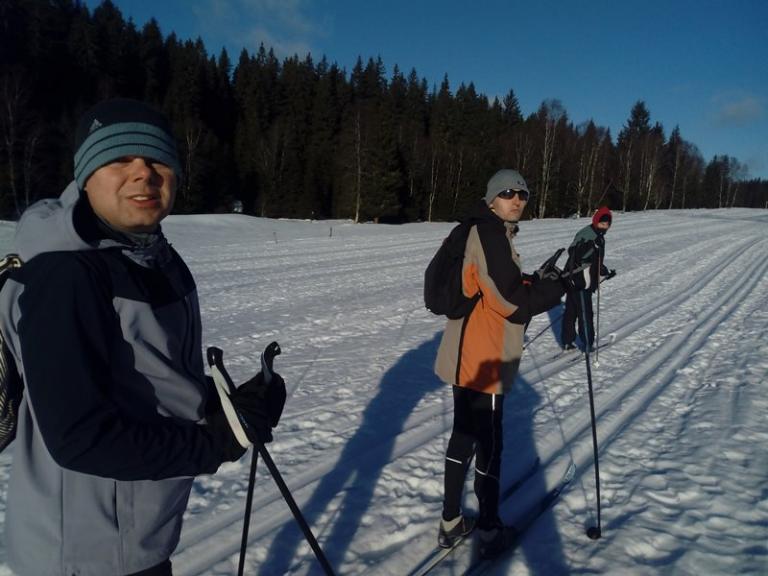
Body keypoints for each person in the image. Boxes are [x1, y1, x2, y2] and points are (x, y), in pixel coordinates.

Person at [0, 98, 283, 576]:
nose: (143, 174)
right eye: (118, 159)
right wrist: (218, 443)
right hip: (85, 553)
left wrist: (227, 407)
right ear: (85, 177)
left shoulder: (149, 257)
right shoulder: (68, 276)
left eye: (157, 160)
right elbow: (81, 439)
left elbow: (154, 374)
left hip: (134, 535)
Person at [433, 169, 565, 558]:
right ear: (492, 199)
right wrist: (560, 287)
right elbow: (511, 303)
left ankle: (451, 521)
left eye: (523, 194)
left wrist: (534, 280)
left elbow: (495, 283)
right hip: (486, 357)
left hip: (465, 354)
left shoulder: (479, 229)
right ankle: (489, 530)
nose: (517, 200)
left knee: (463, 435)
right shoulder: (490, 233)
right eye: (508, 193)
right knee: (489, 444)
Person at [561, 206, 616, 352]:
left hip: (574, 278)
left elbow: (594, 261)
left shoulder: (596, 235)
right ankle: (587, 343)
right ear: (596, 221)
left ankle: (567, 341)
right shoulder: (588, 234)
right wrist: (591, 246)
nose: (604, 227)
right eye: (602, 223)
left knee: (572, 310)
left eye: (607, 224)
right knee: (585, 313)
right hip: (580, 280)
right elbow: (575, 253)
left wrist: (605, 271)